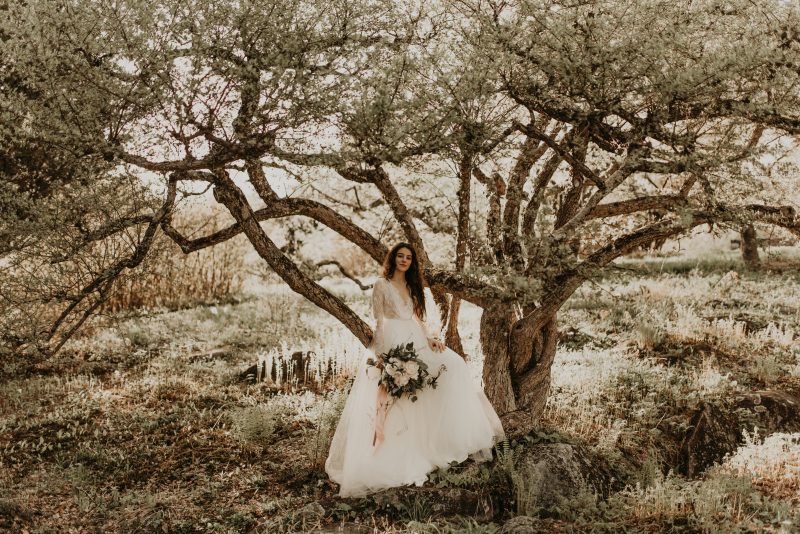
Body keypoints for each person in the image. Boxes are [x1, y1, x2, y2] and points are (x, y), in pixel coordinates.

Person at [325, 242, 505, 497]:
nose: (404, 260)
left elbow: (415, 318)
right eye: (400, 256)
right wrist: (380, 355)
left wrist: (430, 337)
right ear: (393, 258)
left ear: (412, 262)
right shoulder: (381, 284)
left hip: (416, 339)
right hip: (393, 340)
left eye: (409, 257)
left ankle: (441, 439)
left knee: (453, 365)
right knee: (397, 394)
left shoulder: (411, 285)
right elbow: (378, 321)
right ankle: (395, 449)